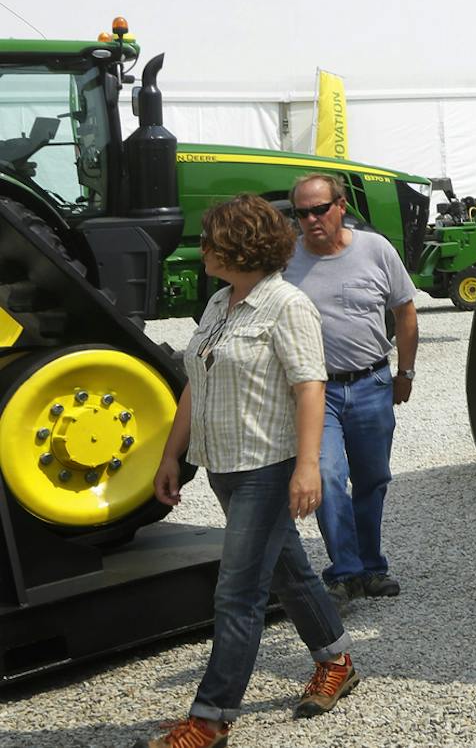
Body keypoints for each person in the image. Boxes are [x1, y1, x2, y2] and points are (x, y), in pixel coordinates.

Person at [146, 195, 358, 748]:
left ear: (239, 247)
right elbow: (195, 379)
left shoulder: (287, 305)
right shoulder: (220, 302)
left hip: (268, 467)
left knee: (237, 594)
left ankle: (211, 718)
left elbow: (310, 387)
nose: (201, 248)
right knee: (289, 571)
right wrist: (172, 455)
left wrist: (307, 467)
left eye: (210, 239)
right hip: (224, 465)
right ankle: (337, 660)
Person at [285, 172, 418, 602]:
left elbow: (405, 312)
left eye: (319, 209)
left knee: (372, 479)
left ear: (341, 206)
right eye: (301, 213)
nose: (311, 220)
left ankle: (371, 566)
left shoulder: (375, 250)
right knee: (325, 475)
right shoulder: (286, 260)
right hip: (315, 392)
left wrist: (405, 374)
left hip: (371, 382)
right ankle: (345, 571)